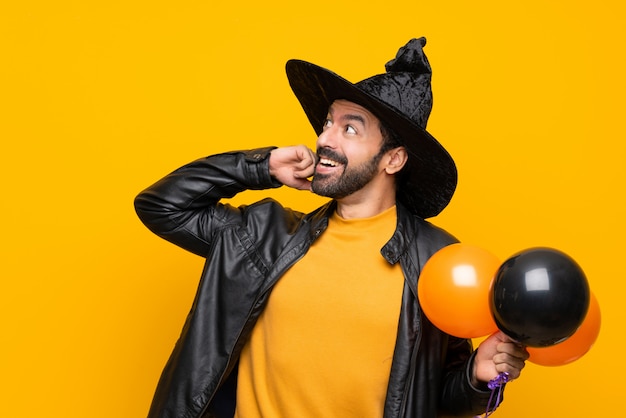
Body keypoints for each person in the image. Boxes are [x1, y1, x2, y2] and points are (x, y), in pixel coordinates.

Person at [135, 37, 528, 418]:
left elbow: (435, 395)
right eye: (328, 123)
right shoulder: (264, 236)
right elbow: (162, 206)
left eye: (350, 128)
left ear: (393, 160)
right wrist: (262, 166)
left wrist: (477, 378)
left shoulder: (436, 260)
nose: (324, 138)